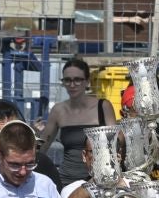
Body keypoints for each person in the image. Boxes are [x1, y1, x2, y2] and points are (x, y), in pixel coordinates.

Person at [38, 57, 118, 186]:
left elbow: (115, 145)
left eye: (77, 80)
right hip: (67, 181)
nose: (72, 84)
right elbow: (42, 147)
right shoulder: (58, 110)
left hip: (100, 179)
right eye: (67, 80)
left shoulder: (103, 107)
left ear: (87, 82)